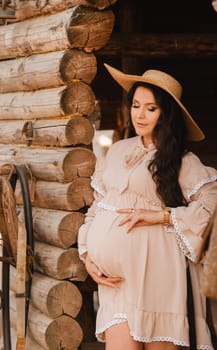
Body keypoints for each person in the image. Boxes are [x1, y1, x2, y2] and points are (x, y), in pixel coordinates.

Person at [78, 64, 217, 350]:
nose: (139, 115)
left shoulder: (182, 160)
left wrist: (163, 216)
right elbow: (98, 206)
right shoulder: (117, 150)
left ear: (166, 113)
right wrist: (88, 255)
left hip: (159, 277)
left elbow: (211, 204)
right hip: (117, 285)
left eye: (150, 108)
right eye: (136, 105)